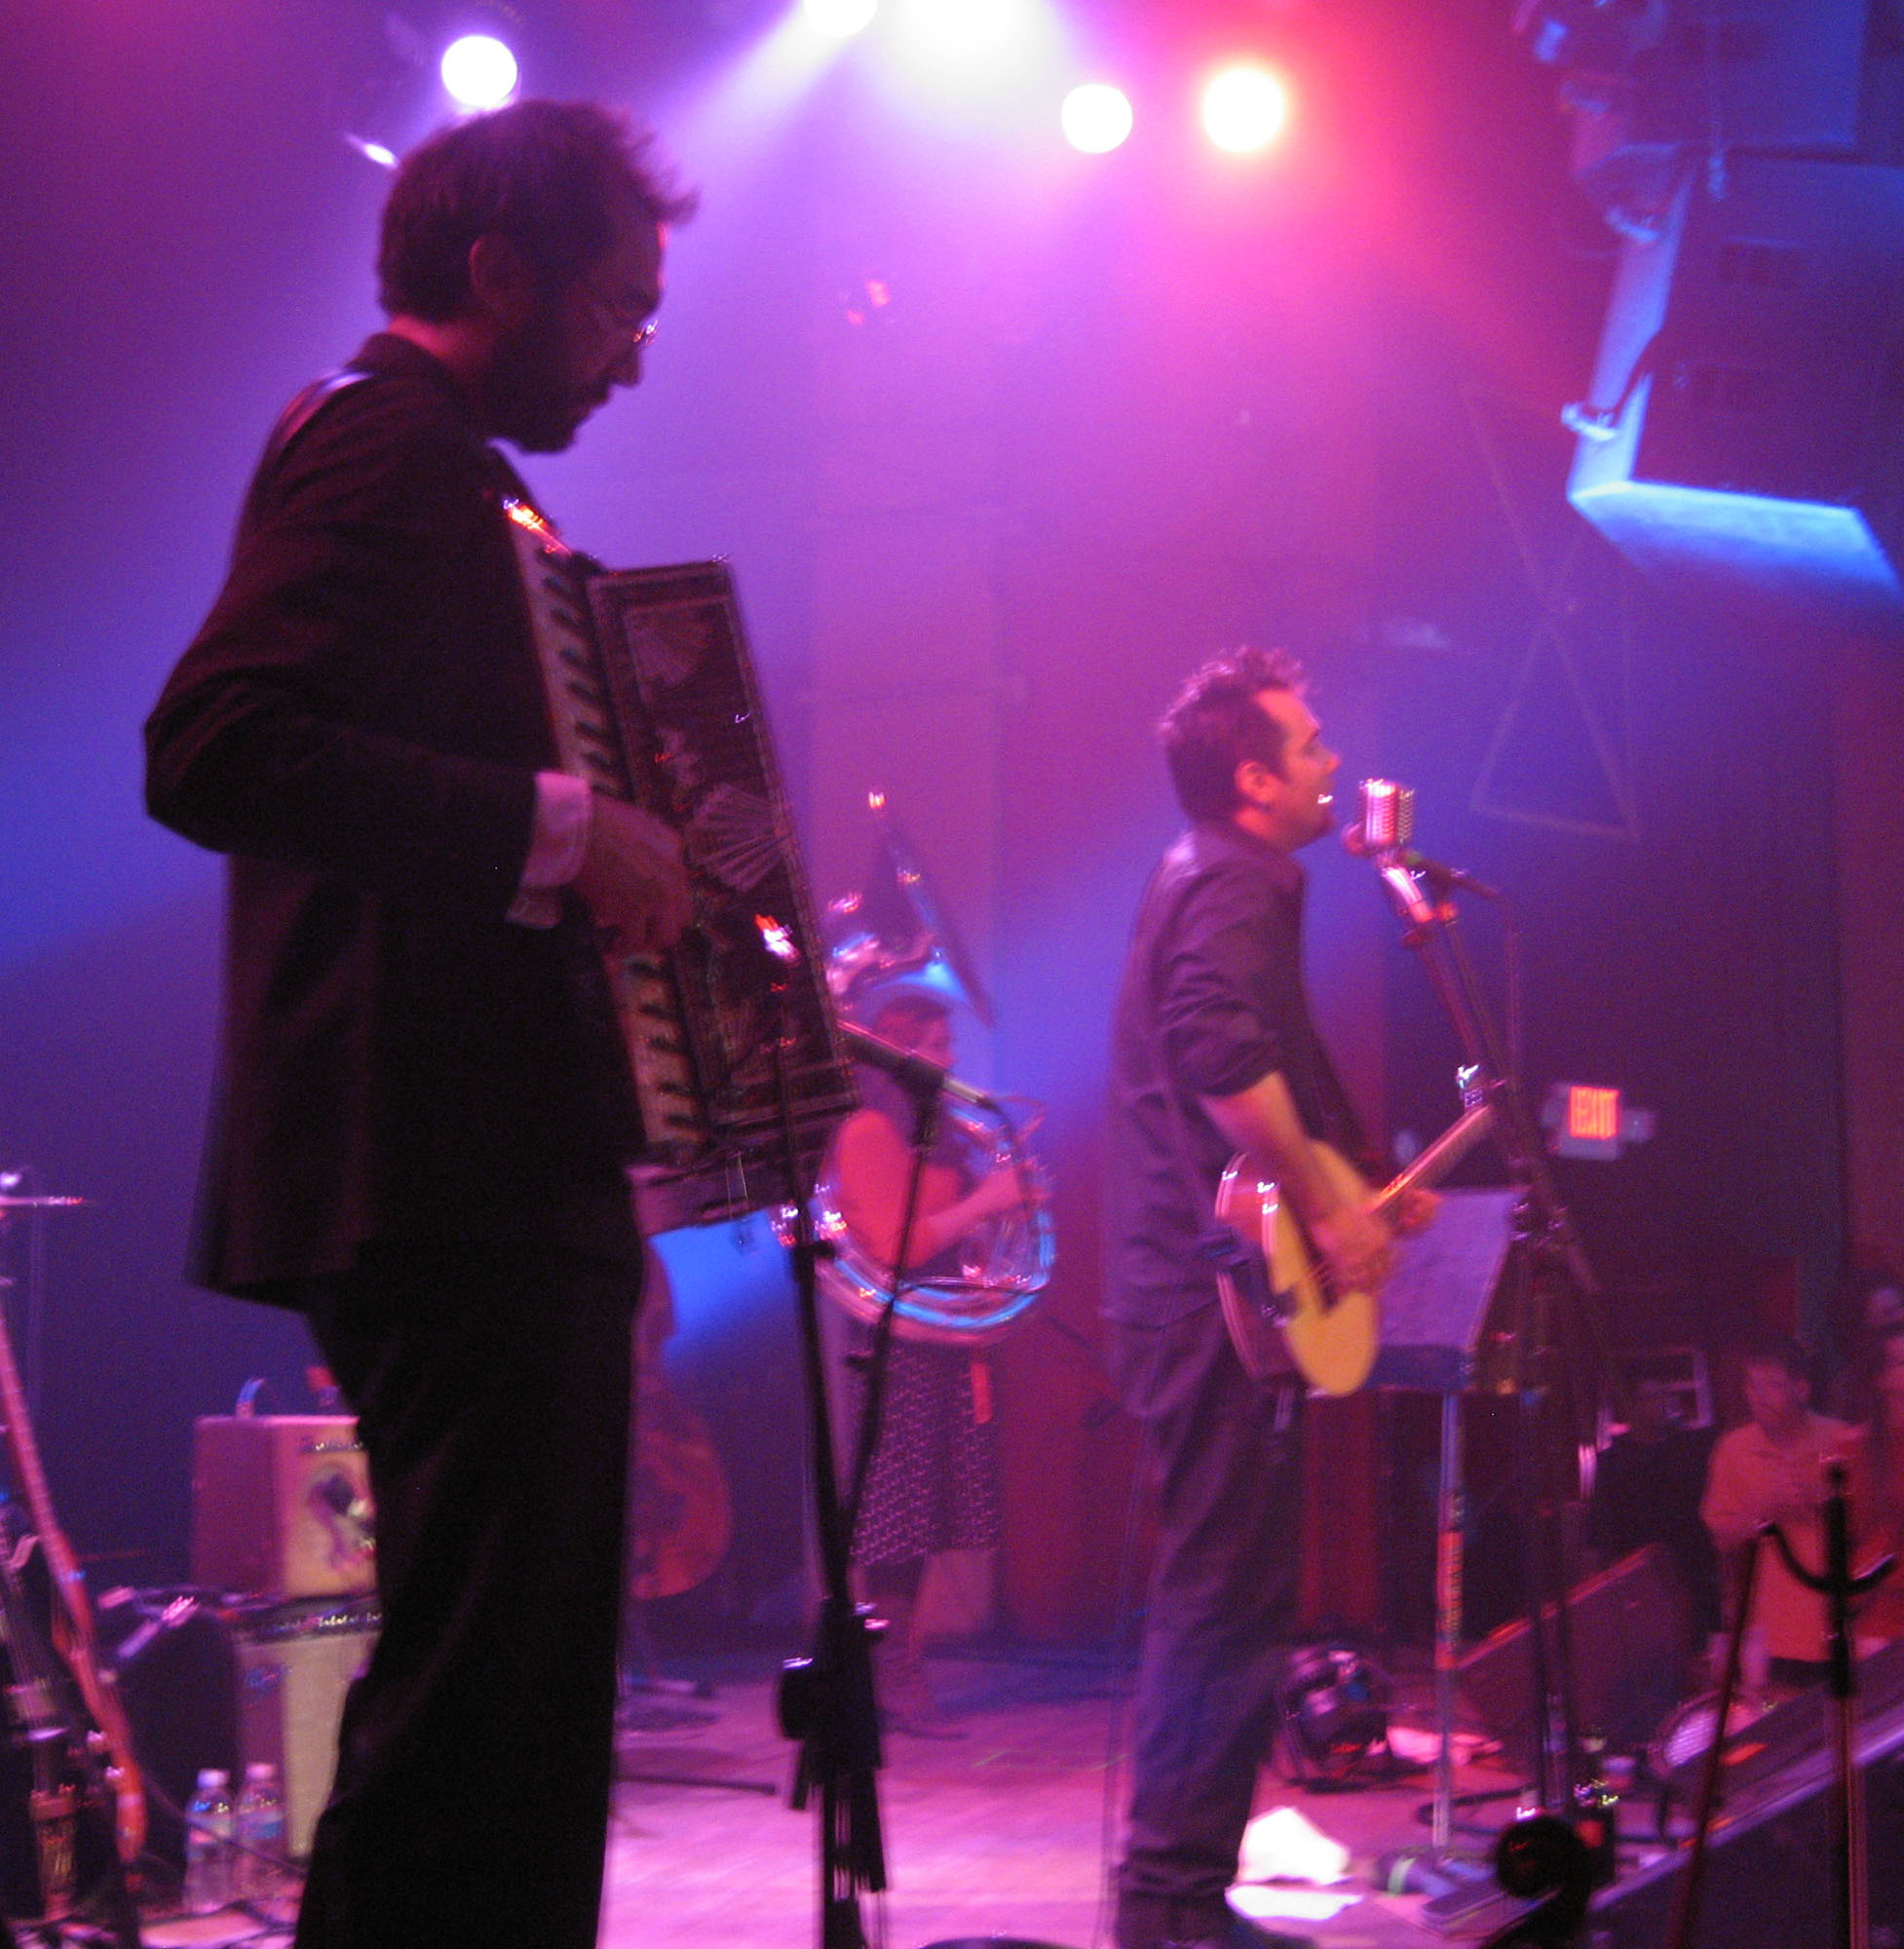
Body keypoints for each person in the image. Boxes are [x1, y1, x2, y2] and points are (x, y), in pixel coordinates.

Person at [144, 101, 696, 1949]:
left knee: (509, 1712)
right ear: (498, 274)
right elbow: (211, 746)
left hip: (477, 1166)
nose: (633, 355)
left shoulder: (454, 471)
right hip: (428, 1169)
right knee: (476, 1720)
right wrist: (559, 827)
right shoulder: (382, 440)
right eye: (616, 308)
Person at [1103, 646, 1432, 1949]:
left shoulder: (1208, 873)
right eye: (1308, 745)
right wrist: (1323, 1204)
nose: (1331, 761)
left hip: (1197, 1290)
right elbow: (1216, 1046)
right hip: (1210, 1301)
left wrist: (1350, 1188)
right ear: (1251, 779)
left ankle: (1180, 1896)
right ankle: (1170, 1909)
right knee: (1219, 1606)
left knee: (1230, 1602)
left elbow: (1233, 1071)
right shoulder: (1234, 878)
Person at [824, 991, 1025, 1734]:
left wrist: (1007, 1209)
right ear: (897, 1054)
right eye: (935, 1047)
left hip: (940, 1340)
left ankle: (899, 1670)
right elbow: (897, 1245)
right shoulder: (869, 1130)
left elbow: (949, 1232)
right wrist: (986, 1203)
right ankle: (890, 1678)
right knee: (897, 1521)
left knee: (927, 1513)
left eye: (949, 1044)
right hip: (896, 1349)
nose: (950, 1060)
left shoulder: (933, 1138)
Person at [1700, 1335, 1860, 1692]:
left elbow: (1870, 1528)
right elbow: (1721, 1536)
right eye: (1751, 1385)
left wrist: (1824, 1504)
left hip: (1841, 1628)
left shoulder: (1841, 1440)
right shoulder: (1733, 1449)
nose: (1759, 1397)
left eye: (1772, 1385)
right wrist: (1767, 1511)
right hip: (1771, 1640)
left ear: (1801, 1389)